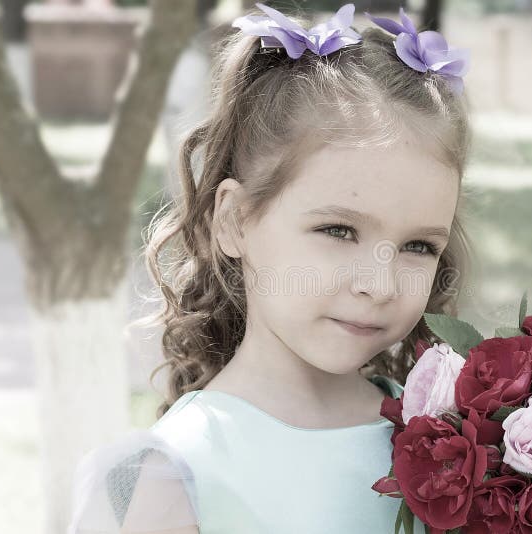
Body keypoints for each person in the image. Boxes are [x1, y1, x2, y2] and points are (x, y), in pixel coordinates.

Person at [66, 3, 473, 533]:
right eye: (338, 231)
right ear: (235, 220)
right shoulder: (177, 475)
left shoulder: (452, 445)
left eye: (418, 245)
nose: (379, 284)